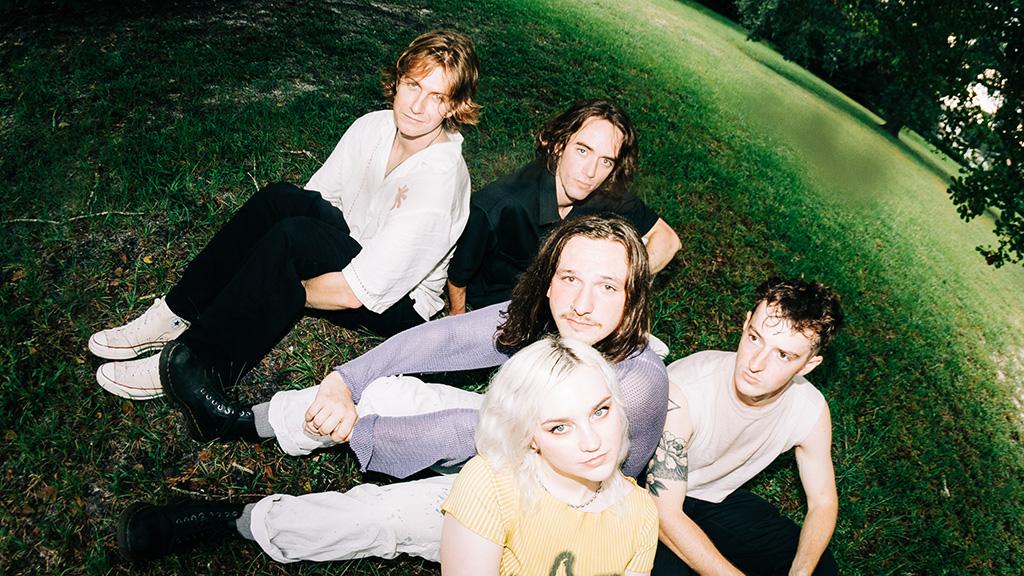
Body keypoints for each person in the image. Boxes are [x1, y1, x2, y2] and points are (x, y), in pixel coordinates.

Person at [116, 214, 669, 564]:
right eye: (570, 279)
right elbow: (440, 341)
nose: (582, 303)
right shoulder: (548, 317)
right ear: (549, 282)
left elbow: (494, 444)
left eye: (608, 286)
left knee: (378, 515)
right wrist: (346, 381)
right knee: (388, 389)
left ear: (632, 297)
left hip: (535, 507)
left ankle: (237, 521)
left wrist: (370, 433)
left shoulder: (637, 386)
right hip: (502, 439)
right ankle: (244, 421)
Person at [87, 30, 480, 413]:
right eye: (413, 86)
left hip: (395, 302)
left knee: (292, 241)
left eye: (437, 97)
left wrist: (271, 284)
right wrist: (264, 260)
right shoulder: (375, 125)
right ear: (397, 82)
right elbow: (315, 199)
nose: (417, 106)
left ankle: (195, 363)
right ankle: (175, 313)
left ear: (452, 107)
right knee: (280, 200)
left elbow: (355, 293)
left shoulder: (438, 183)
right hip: (357, 246)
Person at [647, 278, 844, 576]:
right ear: (746, 324)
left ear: (807, 365)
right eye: (755, 338)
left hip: (713, 499)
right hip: (647, 496)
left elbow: (823, 501)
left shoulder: (809, 409)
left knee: (821, 569)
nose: (756, 364)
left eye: (783, 355)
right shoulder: (687, 389)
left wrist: (800, 573)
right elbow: (664, 514)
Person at [440, 336, 658, 575]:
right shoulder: (490, 484)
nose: (592, 442)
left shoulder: (641, 511)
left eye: (600, 411)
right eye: (560, 427)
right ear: (529, 436)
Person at [445, 99, 681, 314]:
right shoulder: (500, 205)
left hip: (566, 305)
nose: (590, 173)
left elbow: (668, 240)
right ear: (558, 146)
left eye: (606, 161)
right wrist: (458, 323)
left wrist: (619, 285)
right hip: (497, 311)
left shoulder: (602, 191)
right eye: (582, 151)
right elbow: (457, 279)